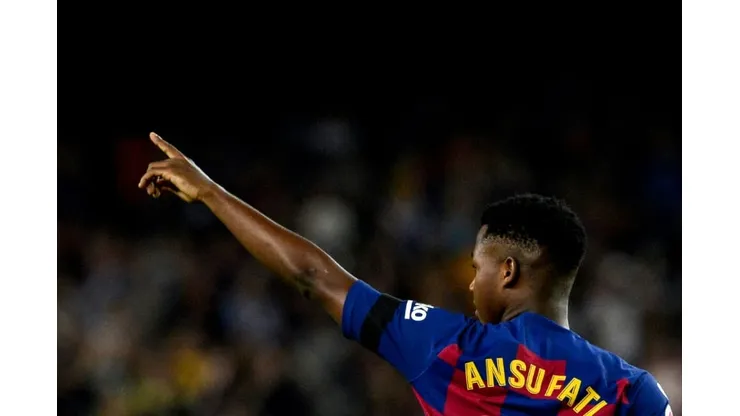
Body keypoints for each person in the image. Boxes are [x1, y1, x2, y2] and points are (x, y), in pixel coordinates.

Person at [138, 132, 672, 415]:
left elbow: (312, 276)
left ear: (508, 272)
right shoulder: (634, 391)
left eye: (478, 269)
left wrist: (210, 192)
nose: (471, 284)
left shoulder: (450, 347)